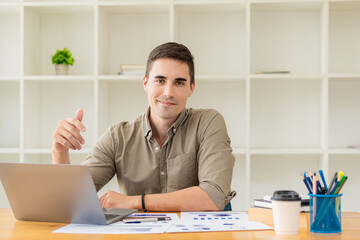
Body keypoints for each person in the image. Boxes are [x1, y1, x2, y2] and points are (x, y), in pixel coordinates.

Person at [52, 42, 236, 211]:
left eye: (179, 82)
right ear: (145, 83)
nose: (168, 92)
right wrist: (59, 152)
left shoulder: (208, 122)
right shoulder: (118, 137)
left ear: (191, 88)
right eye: (160, 80)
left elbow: (213, 196)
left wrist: (135, 202)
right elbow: (70, 200)